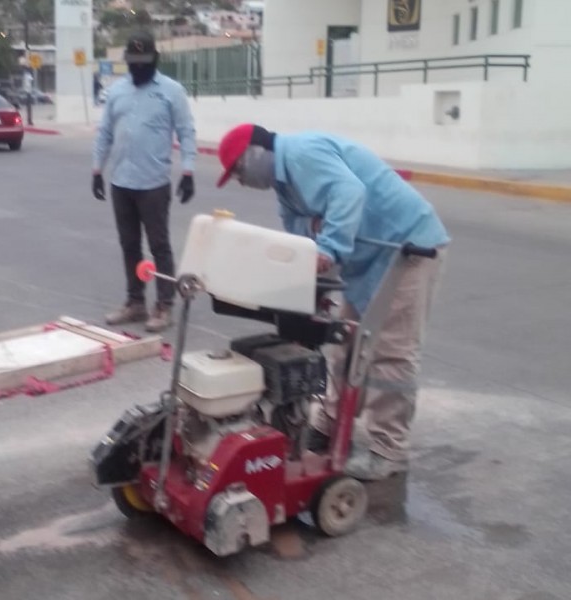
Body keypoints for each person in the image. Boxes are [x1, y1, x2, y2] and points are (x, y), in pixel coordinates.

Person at [215, 124, 450, 480]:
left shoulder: (301, 153)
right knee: (346, 345)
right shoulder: (285, 186)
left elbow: (349, 192)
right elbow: (299, 241)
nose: (240, 181)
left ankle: (389, 450)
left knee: (391, 353)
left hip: (409, 248)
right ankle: (328, 425)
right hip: (370, 259)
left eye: (238, 171)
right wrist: (310, 287)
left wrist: (329, 250)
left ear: (256, 154)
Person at [92, 30, 197, 333]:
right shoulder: (116, 91)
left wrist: (188, 172)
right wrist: (97, 170)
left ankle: (164, 305)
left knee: (159, 246)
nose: (138, 68)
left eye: (143, 62)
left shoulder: (171, 91)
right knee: (129, 245)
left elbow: (186, 132)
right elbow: (105, 134)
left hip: (153, 183)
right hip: (121, 182)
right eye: (133, 62)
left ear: (155, 60)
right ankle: (135, 302)